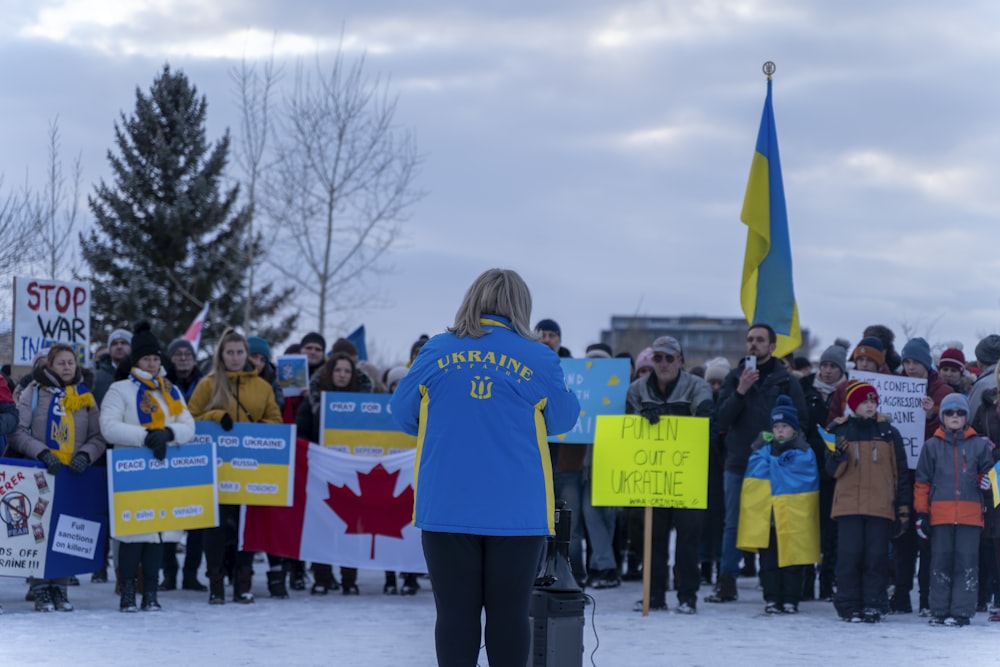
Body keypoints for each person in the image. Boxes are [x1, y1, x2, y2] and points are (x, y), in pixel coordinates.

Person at [390, 268, 580, 667]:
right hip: (517, 511)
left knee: (455, 615)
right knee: (509, 615)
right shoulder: (538, 356)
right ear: (520, 307)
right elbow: (563, 421)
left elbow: (402, 415)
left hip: (446, 506)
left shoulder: (436, 350)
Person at [99, 322, 196, 612]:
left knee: (158, 534)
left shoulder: (171, 391)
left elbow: (187, 425)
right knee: (132, 535)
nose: (152, 364)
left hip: (162, 469)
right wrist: (145, 437)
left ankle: (151, 592)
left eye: (155, 358)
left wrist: (167, 434)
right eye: (146, 359)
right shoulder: (120, 390)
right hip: (132, 470)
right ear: (135, 361)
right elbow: (109, 427)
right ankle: (128, 591)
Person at [708, 323, 807, 603]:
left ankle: (770, 582)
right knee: (732, 524)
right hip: (739, 462)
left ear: (772, 347)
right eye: (750, 339)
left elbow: (802, 421)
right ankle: (726, 581)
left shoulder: (787, 381)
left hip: (776, 465)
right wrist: (740, 391)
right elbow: (722, 419)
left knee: (772, 524)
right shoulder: (734, 377)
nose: (753, 344)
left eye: (760, 340)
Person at [9, 344, 107, 612]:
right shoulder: (34, 392)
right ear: (49, 366)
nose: (67, 367)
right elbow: (17, 432)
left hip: (73, 475)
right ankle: (40, 588)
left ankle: (60, 588)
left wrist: (85, 456)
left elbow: (99, 435)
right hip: (41, 471)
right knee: (39, 531)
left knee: (67, 531)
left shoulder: (85, 397)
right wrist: (41, 452)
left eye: (70, 363)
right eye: (61, 363)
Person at [188, 328, 282, 604]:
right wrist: (217, 415)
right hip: (215, 468)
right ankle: (216, 584)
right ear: (222, 354)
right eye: (230, 352)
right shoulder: (208, 384)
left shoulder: (262, 387)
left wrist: (258, 431)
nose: (236, 357)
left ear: (247, 355)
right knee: (214, 528)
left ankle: (243, 583)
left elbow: (275, 420)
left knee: (245, 528)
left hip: (249, 468)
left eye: (240, 352)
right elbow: (190, 418)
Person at [623, 335, 712, 613]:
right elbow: (627, 428)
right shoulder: (637, 389)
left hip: (688, 474)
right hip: (652, 475)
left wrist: (671, 418)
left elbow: (706, 420)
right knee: (653, 538)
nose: (662, 363)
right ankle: (654, 595)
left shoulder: (697, 386)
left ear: (681, 361)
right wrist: (641, 422)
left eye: (668, 358)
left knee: (688, 540)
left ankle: (687, 597)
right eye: (657, 358)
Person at [826, 380, 912, 623]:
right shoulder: (838, 431)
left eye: (873, 401)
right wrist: (838, 456)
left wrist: (903, 507)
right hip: (848, 506)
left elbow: (900, 473)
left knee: (876, 558)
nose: (870, 405)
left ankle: (874, 603)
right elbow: (832, 471)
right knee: (849, 557)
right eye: (864, 401)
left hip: (880, 505)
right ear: (853, 405)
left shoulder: (888, 433)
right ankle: (849, 604)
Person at [295, 351, 370, 595]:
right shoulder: (313, 400)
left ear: (353, 375)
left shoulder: (368, 404)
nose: (342, 375)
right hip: (322, 472)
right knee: (321, 527)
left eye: (347, 371)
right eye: (337, 370)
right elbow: (301, 433)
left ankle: (349, 579)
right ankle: (321, 578)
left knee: (352, 527)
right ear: (330, 372)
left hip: (354, 475)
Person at [915, 393, 993, 626]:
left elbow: (992, 477)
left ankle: (961, 611)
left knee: (966, 563)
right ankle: (939, 610)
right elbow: (922, 483)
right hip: (940, 515)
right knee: (940, 563)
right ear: (942, 416)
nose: (955, 416)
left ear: (966, 416)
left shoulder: (979, 446)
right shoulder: (931, 446)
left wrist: (987, 482)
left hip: (970, 516)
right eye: (950, 412)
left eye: (960, 412)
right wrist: (921, 513)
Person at [738, 395, 818, 614]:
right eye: (776, 426)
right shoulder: (761, 452)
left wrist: (776, 463)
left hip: (793, 517)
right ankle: (772, 598)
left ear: (794, 428)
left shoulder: (804, 453)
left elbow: (804, 475)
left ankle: (791, 599)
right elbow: (754, 480)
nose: (780, 431)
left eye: (785, 426)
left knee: (793, 561)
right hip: (769, 519)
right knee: (769, 562)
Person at [801, 341, 849, 601]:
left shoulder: (848, 393)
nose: (828, 371)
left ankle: (827, 580)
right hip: (808, 469)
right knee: (809, 528)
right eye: (825, 365)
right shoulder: (805, 388)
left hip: (835, 471)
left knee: (831, 531)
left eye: (833, 366)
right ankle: (807, 582)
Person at [159, 337, 207, 593]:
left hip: (198, 459)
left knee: (197, 521)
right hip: (169, 457)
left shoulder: (206, 384)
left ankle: (191, 574)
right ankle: (169, 574)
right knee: (168, 520)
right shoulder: (162, 386)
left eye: (188, 354)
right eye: (178, 354)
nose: (183, 358)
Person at [93, 329, 132, 405]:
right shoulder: (95, 378)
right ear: (109, 349)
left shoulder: (141, 375)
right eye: (114, 344)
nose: (119, 346)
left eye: (124, 343)